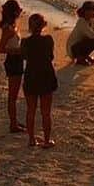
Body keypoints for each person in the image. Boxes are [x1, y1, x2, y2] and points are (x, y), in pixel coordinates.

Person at [21, 13, 58, 149]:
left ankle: (31, 139)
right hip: (46, 75)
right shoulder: (48, 40)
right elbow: (50, 56)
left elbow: (24, 57)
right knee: (45, 112)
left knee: (31, 110)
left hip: (31, 75)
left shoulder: (25, 42)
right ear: (43, 25)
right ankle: (47, 140)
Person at [0, 0, 25, 133]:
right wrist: (18, 51)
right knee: (12, 96)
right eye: (19, 10)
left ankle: (14, 122)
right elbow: (1, 48)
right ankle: (13, 124)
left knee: (15, 94)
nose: (21, 11)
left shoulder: (13, 25)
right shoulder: (8, 29)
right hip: (13, 60)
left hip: (17, 59)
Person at [66, 0, 94, 65]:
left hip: (79, 45)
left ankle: (84, 56)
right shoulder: (82, 22)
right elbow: (92, 35)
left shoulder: (90, 20)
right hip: (73, 49)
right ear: (86, 11)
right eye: (93, 10)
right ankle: (80, 58)